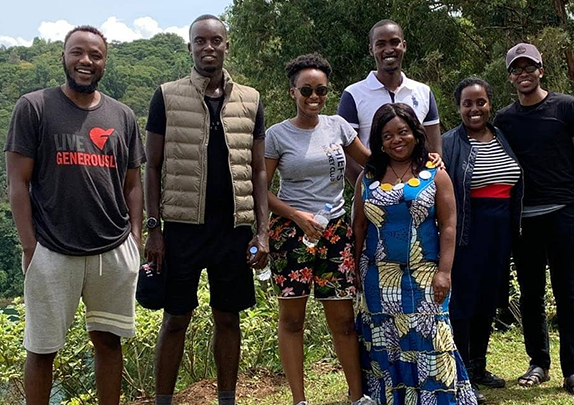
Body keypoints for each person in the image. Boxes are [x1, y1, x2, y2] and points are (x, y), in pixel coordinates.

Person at [5, 26, 144, 405]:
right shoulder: (34, 107)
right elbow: (17, 183)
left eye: (95, 55)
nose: (86, 61)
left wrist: (135, 239)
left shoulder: (123, 115)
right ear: (63, 56)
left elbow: (134, 183)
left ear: (104, 62)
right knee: (42, 348)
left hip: (113, 248)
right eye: (77, 52)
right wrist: (30, 246)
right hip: (51, 249)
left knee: (108, 341)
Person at [144, 15, 269, 405]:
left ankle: (227, 398)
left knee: (228, 317)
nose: (208, 47)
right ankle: (163, 399)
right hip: (181, 227)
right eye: (200, 41)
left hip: (232, 228)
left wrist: (262, 231)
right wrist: (154, 228)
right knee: (176, 318)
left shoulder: (250, 99)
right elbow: (152, 166)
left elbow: (259, 168)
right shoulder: (166, 96)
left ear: (226, 45)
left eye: (216, 40)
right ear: (190, 48)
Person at [265, 53, 373, 405]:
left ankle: (358, 397)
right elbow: (260, 190)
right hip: (291, 233)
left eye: (322, 90)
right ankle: (299, 400)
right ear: (292, 92)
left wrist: (421, 159)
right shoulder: (276, 135)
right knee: (292, 318)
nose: (314, 97)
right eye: (306, 90)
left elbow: (372, 162)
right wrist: (297, 216)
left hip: (335, 232)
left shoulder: (338, 126)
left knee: (343, 318)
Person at [353, 103, 476, 405]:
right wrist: (353, 272)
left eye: (403, 132)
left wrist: (444, 272)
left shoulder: (435, 173)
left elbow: (448, 225)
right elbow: (358, 228)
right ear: (379, 142)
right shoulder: (367, 177)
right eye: (387, 135)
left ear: (416, 134)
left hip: (425, 274)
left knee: (432, 340)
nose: (397, 140)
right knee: (387, 344)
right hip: (377, 278)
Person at [494, 43, 574, 399]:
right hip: (524, 219)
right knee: (531, 295)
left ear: (541, 70)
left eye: (529, 67)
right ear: (510, 76)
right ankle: (538, 363)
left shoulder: (567, 107)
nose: (523, 74)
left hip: (564, 213)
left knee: (568, 295)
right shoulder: (504, 119)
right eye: (517, 69)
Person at [442, 77, 523, 403]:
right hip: (467, 233)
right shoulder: (449, 143)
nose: (474, 109)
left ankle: (479, 366)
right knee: (463, 303)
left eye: (481, 102)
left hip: (500, 231)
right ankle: (462, 372)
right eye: (467, 103)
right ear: (458, 107)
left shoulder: (502, 136)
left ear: (490, 104)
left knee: (488, 299)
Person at [338, 19, 442, 186]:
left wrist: (423, 190)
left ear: (404, 45)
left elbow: (434, 150)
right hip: (372, 195)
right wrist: (369, 189)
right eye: (380, 44)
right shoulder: (353, 95)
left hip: (418, 194)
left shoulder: (423, 92)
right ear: (371, 49)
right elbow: (346, 154)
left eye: (395, 42)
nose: (388, 50)